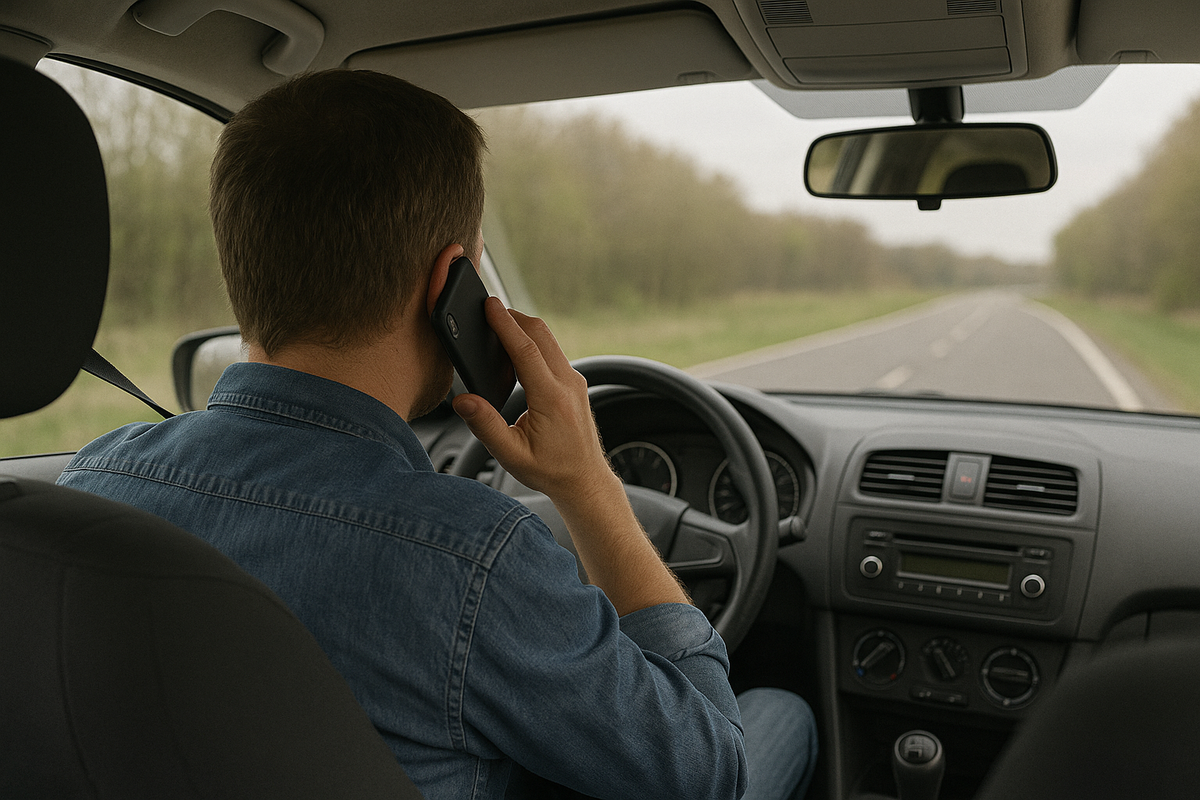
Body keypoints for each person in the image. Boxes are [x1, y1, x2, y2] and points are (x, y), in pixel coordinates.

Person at [57, 69, 817, 800]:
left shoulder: (89, 488)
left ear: (242, 262)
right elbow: (709, 776)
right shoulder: (472, 557)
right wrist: (588, 483)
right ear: (453, 280)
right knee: (780, 714)